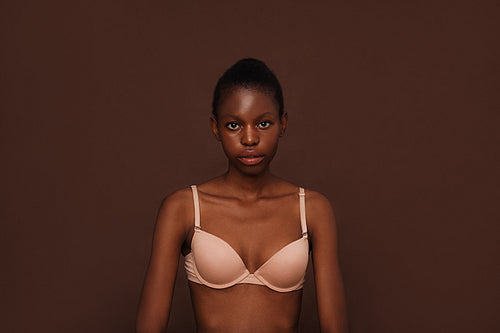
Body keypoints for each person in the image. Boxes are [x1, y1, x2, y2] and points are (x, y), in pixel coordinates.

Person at [136, 58, 347, 333]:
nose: (249, 139)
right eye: (234, 125)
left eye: (264, 124)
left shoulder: (313, 210)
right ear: (215, 127)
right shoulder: (184, 208)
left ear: (283, 124)